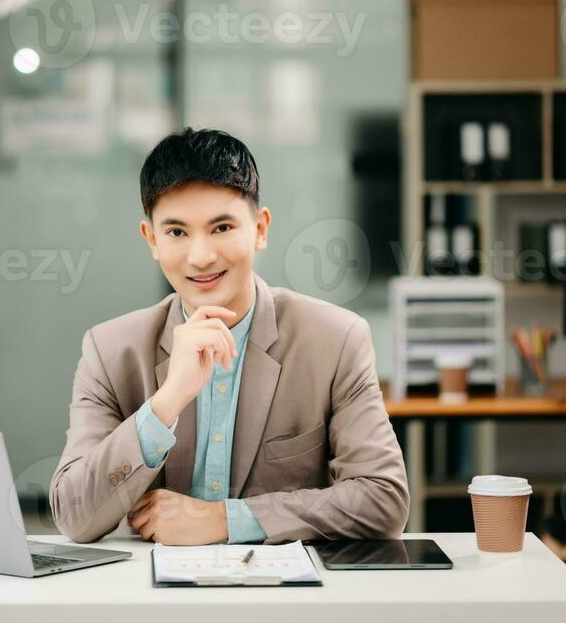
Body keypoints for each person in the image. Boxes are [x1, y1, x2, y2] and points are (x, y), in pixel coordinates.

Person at [49, 128, 410, 545]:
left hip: (286, 600)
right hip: (153, 602)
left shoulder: (335, 339)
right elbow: (74, 516)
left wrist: (226, 520)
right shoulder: (110, 350)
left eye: (221, 227)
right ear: (151, 239)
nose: (201, 256)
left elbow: (384, 499)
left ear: (259, 228)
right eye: (177, 232)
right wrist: (166, 403)